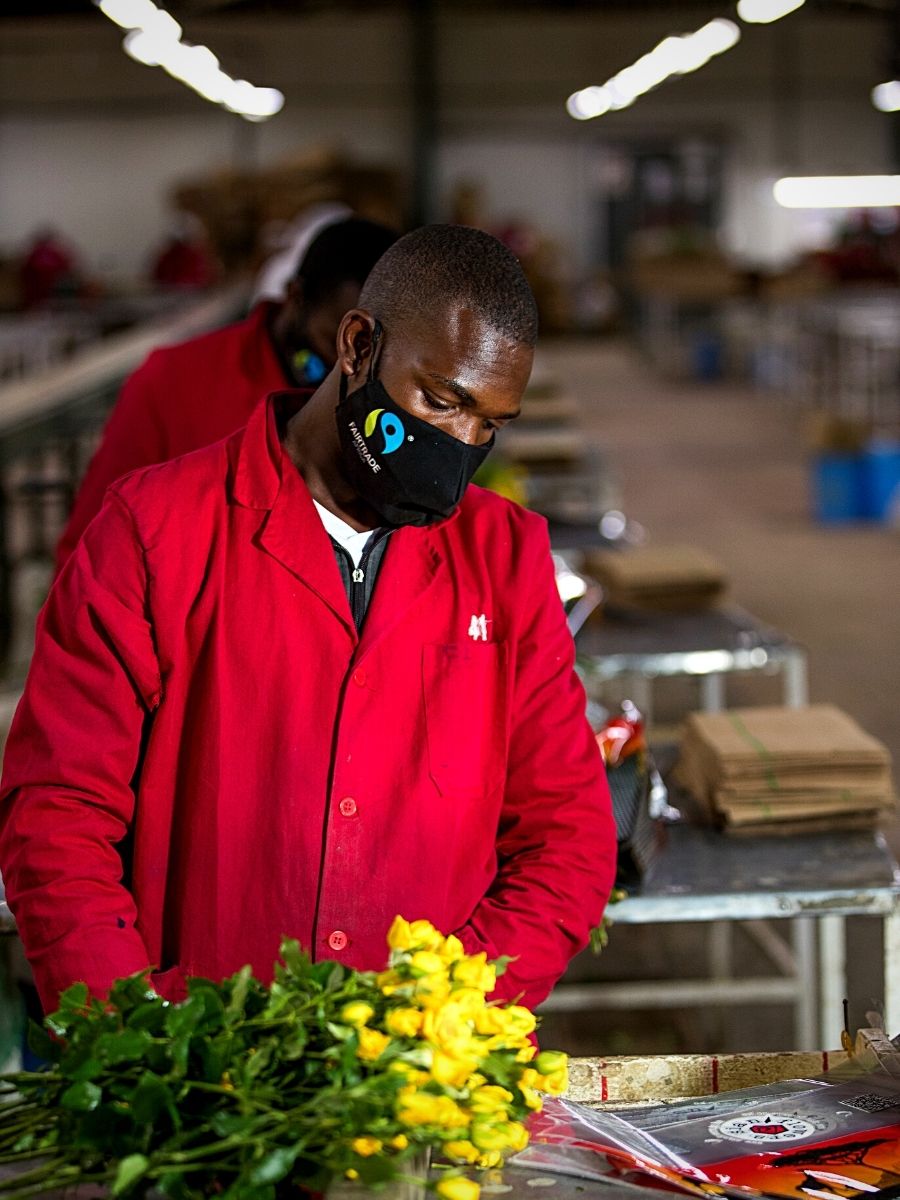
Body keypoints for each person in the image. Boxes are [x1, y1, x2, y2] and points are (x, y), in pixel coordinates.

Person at [0, 224, 616, 1017]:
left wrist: (442, 1015)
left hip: (417, 1077)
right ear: (357, 344)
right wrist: (133, 1033)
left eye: (490, 424)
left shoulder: (503, 557)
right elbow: (58, 814)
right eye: (440, 400)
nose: (459, 445)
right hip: (199, 1062)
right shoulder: (153, 532)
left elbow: (567, 838)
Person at [55, 216, 397, 569]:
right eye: (331, 343)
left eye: (367, 353)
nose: (348, 367)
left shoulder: (392, 410)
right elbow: (92, 545)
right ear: (295, 297)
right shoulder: (175, 380)